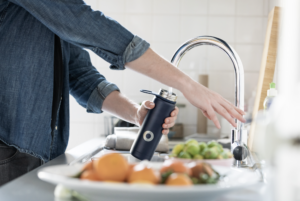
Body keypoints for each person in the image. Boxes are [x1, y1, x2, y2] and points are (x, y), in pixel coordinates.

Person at [0, 0, 245, 186]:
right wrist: (187, 85)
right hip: (6, 154)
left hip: (39, 156)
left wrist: (136, 114)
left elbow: (80, 75)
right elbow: (86, 24)